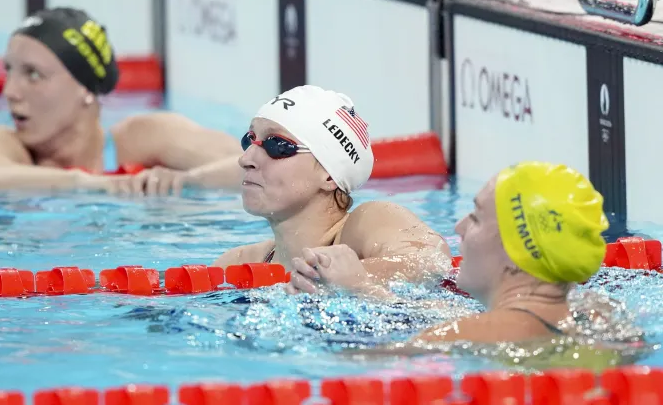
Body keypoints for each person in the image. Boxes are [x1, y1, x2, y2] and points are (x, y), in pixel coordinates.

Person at [0, 7, 243, 196]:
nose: (10, 91)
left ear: (85, 87)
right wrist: (87, 184)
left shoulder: (143, 138)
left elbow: (254, 165)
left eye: (34, 74)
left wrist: (186, 182)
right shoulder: (3, 144)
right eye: (9, 71)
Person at [212, 85, 453, 298]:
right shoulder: (237, 263)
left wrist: (354, 279)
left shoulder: (367, 223)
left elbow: (431, 259)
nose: (246, 159)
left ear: (329, 175)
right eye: (249, 139)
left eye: (277, 145)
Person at [361, 161, 619, 352]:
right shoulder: (600, 322)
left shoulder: (452, 337)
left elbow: (361, 364)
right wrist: (372, 292)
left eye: (476, 218)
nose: (459, 227)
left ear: (513, 255)